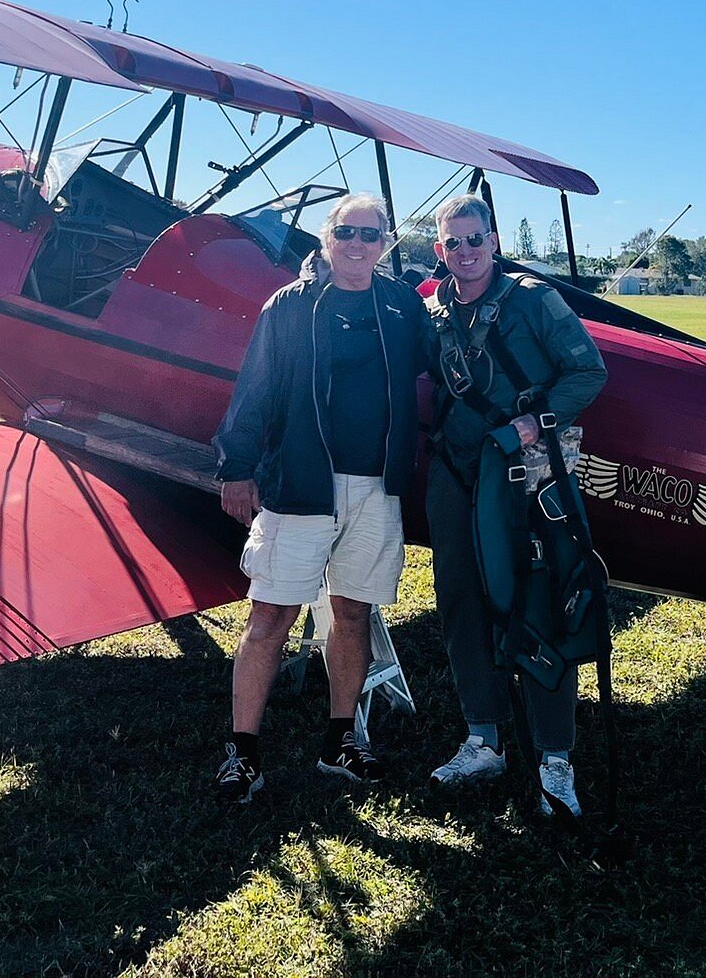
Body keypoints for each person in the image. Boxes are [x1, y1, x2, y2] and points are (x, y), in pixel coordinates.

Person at [210, 192, 433, 804]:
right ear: (326, 238)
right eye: (347, 233)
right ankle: (242, 750)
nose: (358, 244)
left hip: (374, 487)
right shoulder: (289, 305)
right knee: (270, 617)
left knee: (354, 613)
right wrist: (237, 466)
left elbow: (444, 364)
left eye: (371, 235)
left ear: (385, 243)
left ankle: (340, 740)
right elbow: (255, 386)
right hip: (301, 483)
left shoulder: (401, 308)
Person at [423, 192, 607, 815]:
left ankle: (556, 756)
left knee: (542, 601)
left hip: (527, 471)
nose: (467, 252)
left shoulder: (533, 299)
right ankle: (483, 737)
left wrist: (535, 426)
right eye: (454, 243)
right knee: (459, 599)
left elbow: (589, 372)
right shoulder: (434, 308)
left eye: (477, 239)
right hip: (456, 471)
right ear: (438, 249)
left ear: (495, 241)